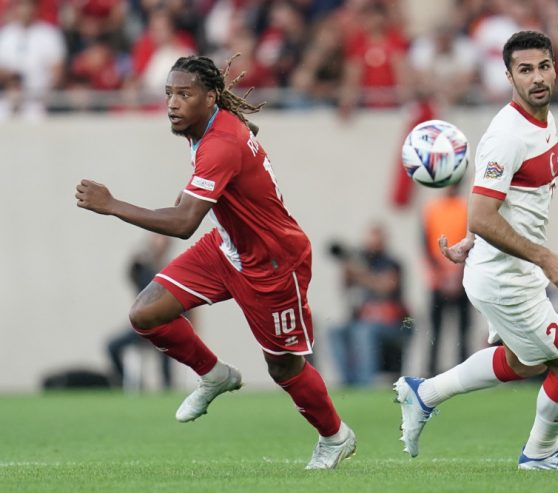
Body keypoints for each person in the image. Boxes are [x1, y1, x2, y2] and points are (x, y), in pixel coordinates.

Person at [75, 54, 356, 469]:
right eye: (169, 93)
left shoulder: (220, 143)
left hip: (273, 263)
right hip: (228, 247)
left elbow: (187, 221)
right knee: (146, 313)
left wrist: (113, 205)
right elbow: (203, 193)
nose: (172, 103)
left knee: (283, 367)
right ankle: (214, 374)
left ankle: (335, 436)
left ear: (210, 98)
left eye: (184, 94)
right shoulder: (206, 127)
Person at [393, 31, 558, 471]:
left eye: (544, 66)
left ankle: (423, 393)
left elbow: (501, 209)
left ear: (555, 68)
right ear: (508, 76)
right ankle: (540, 454)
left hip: (509, 269)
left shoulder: (544, 117)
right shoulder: (507, 135)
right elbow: (483, 214)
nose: (537, 77)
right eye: (525, 70)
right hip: (505, 280)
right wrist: (546, 257)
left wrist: (471, 240)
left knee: (525, 362)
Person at [328, 224, 410, 387]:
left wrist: (360, 274)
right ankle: (348, 381)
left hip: (393, 324)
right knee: (335, 330)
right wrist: (347, 270)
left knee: (363, 330)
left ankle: (365, 383)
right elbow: (345, 288)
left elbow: (385, 286)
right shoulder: (362, 259)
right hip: (365, 319)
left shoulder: (392, 263)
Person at [106, 233, 174, 390]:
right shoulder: (143, 268)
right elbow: (132, 275)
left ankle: (167, 387)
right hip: (142, 327)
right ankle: (123, 382)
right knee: (111, 346)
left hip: (165, 326)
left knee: (168, 347)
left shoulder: (171, 269)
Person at [421, 185, 470, 376]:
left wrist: (459, 272)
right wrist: (440, 273)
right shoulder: (432, 209)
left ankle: (465, 371)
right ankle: (431, 372)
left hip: (462, 278)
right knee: (435, 331)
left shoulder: (465, 207)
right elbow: (425, 243)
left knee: (463, 329)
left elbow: (472, 239)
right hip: (437, 280)